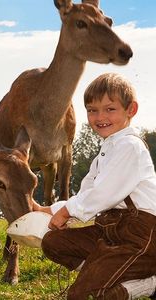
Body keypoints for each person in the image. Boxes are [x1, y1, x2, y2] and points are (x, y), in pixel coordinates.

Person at [33, 73, 156, 300]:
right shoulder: (105, 152)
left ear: (131, 110)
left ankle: (148, 284)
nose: (100, 117)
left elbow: (103, 194)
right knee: (53, 242)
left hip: (140, 237)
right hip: (109, 232)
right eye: (92, 110)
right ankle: (105, 271)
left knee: (85, 295)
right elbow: (86, 194)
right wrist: (47, 210)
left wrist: (68, 212)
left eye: (110, 109)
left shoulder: (130, 146)